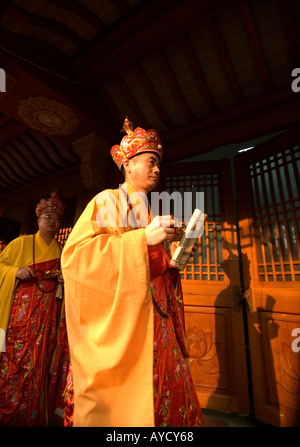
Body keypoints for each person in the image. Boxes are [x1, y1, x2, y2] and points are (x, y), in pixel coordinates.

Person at [61, 118, 204, 427]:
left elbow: (150, 267)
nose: (157, 169)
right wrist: (142, 239)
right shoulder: (107, 200)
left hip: (156, 321)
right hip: (125, 326)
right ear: (127, 164)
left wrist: (173, 258)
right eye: (150, 162)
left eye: (158, 164)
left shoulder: (149, 212)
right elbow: (75, 258)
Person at [0, 191, 69, 427]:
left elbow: (72, 280)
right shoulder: (21, 243)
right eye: (47, 216)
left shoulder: (63, 253)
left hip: (48, 319)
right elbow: (0, 266)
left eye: (56, 218)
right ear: (38, 220)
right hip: (19, 320)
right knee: (13, 362)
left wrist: (65, 281)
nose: (51, 221)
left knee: (40, 366)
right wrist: (14, 272)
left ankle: (34, 416)